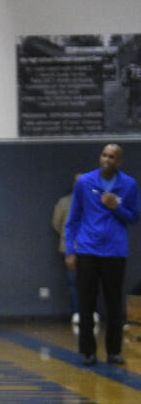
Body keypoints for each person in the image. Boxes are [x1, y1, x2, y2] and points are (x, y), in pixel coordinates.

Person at [65, 143, 139, 365]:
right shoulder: (85, 183)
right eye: (105, 155)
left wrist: (117, 207)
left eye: (112, 157)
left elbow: (134, 217)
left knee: (114, 304)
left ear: (119, 162)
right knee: (87, 303)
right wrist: (71, 251)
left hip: (115, 252)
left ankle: (114, 351)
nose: (107, 159)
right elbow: (73, 220)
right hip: (88, 249)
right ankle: (88, 351)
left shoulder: (129, 185)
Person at [52, 174, 83, 325]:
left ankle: (89, 311)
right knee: (73, 281)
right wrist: (68, 238)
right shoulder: (64, 202)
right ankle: (76, 312)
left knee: (91, 281)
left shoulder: (95, 201)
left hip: (90, 248)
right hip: (70, 248)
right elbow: (57, 223)